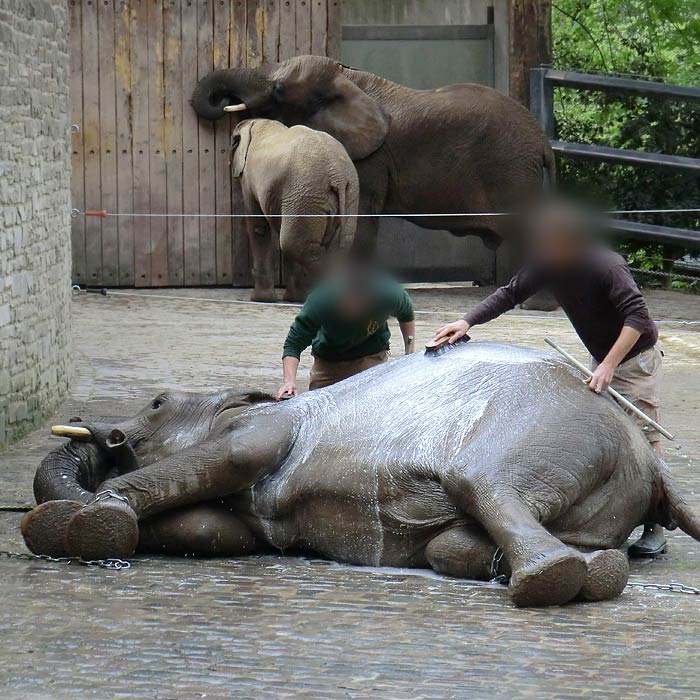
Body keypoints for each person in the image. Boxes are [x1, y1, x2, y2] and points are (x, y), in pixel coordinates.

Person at [434, 201, 666, 558]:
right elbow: (510, 293)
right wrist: (467, 322)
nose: (540, 251)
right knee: (610, 432)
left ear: (570, 242)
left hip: (634, 358)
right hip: (602, 356)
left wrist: (608, 366)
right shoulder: (548, 263)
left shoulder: (606, 265)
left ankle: (656, 526)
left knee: (644, 436)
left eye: (547, 243)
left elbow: (637, 317)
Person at [277, 266, 416, 397]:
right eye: (349, 301)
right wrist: (289, 381)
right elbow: (293, 345)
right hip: (330, 364)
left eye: (359, 302)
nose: (353, 308)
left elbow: (407, 315)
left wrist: (409, 355)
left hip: (371, 357)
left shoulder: (389, 293)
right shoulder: (321, 300)